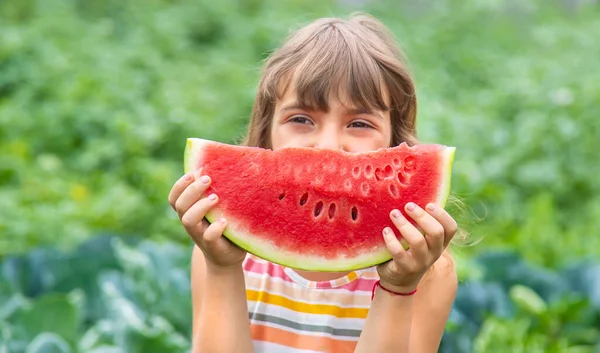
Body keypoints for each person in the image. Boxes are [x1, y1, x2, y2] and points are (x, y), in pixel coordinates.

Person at [168, 13, 459, 353]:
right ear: (266, 133)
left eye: (360, 124)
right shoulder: (221, 249)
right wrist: (222, 270)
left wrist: (398, 288)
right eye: (302, 119)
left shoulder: (429, 272)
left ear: (395, 143)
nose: (327, 146)